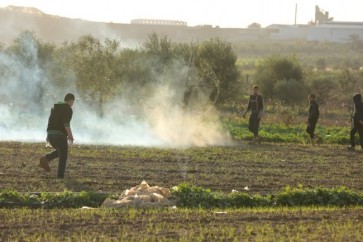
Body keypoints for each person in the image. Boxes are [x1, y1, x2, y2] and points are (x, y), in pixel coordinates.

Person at [39, 93, 75, 178]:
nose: (73, 104)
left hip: (51, 134)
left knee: (60, 152)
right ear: (71, 101)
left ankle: (45, 159)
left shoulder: (55, 108)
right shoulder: (68, 109)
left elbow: (50, 121)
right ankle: (60, 176)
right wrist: (70, 135)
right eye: (73, 102)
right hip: (60, 135)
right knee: (63, 155)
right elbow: (66, 123)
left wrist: (48, 134)